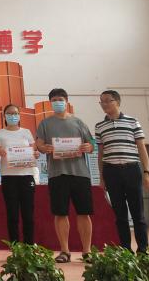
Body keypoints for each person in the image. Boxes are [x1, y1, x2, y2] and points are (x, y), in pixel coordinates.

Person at [36, 88, 95, 263]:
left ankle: (87, 251)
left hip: (80, 174)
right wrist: (43, 148)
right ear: (50, 103)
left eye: (60, 99)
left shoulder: (78, 122)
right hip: (57, 174)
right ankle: (64, 251)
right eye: (54, 100)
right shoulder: (45, 124)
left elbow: (91, 142)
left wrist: (89, 147)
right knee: (60, 213)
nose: (57, 102)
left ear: (66, 101)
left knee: (84, 213)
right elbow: (39, 144)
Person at [95, 89, 149, 254]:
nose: (104, 104)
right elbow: (101, 153)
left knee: (138, 213)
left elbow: (141, 148)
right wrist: (102, 178)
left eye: (108, 100)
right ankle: (125, 250)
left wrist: (147, 172)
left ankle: (143, 250)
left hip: (132, 170)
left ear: (118, 102)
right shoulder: (99, 126)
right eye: (102, 101)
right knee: (120, 215)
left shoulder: (132, 122)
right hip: (111, 172)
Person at [0, 103, 39, 245]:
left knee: (28, 215)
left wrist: (35, 154)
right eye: (10, 113)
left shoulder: (26, 132)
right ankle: (14, 247)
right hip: (9, 177)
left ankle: (29, 246)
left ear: (19, 116)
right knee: (12, 214)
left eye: (15, 113)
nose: (13, 116)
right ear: (4, 116)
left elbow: (33, 150)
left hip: (27, 176)